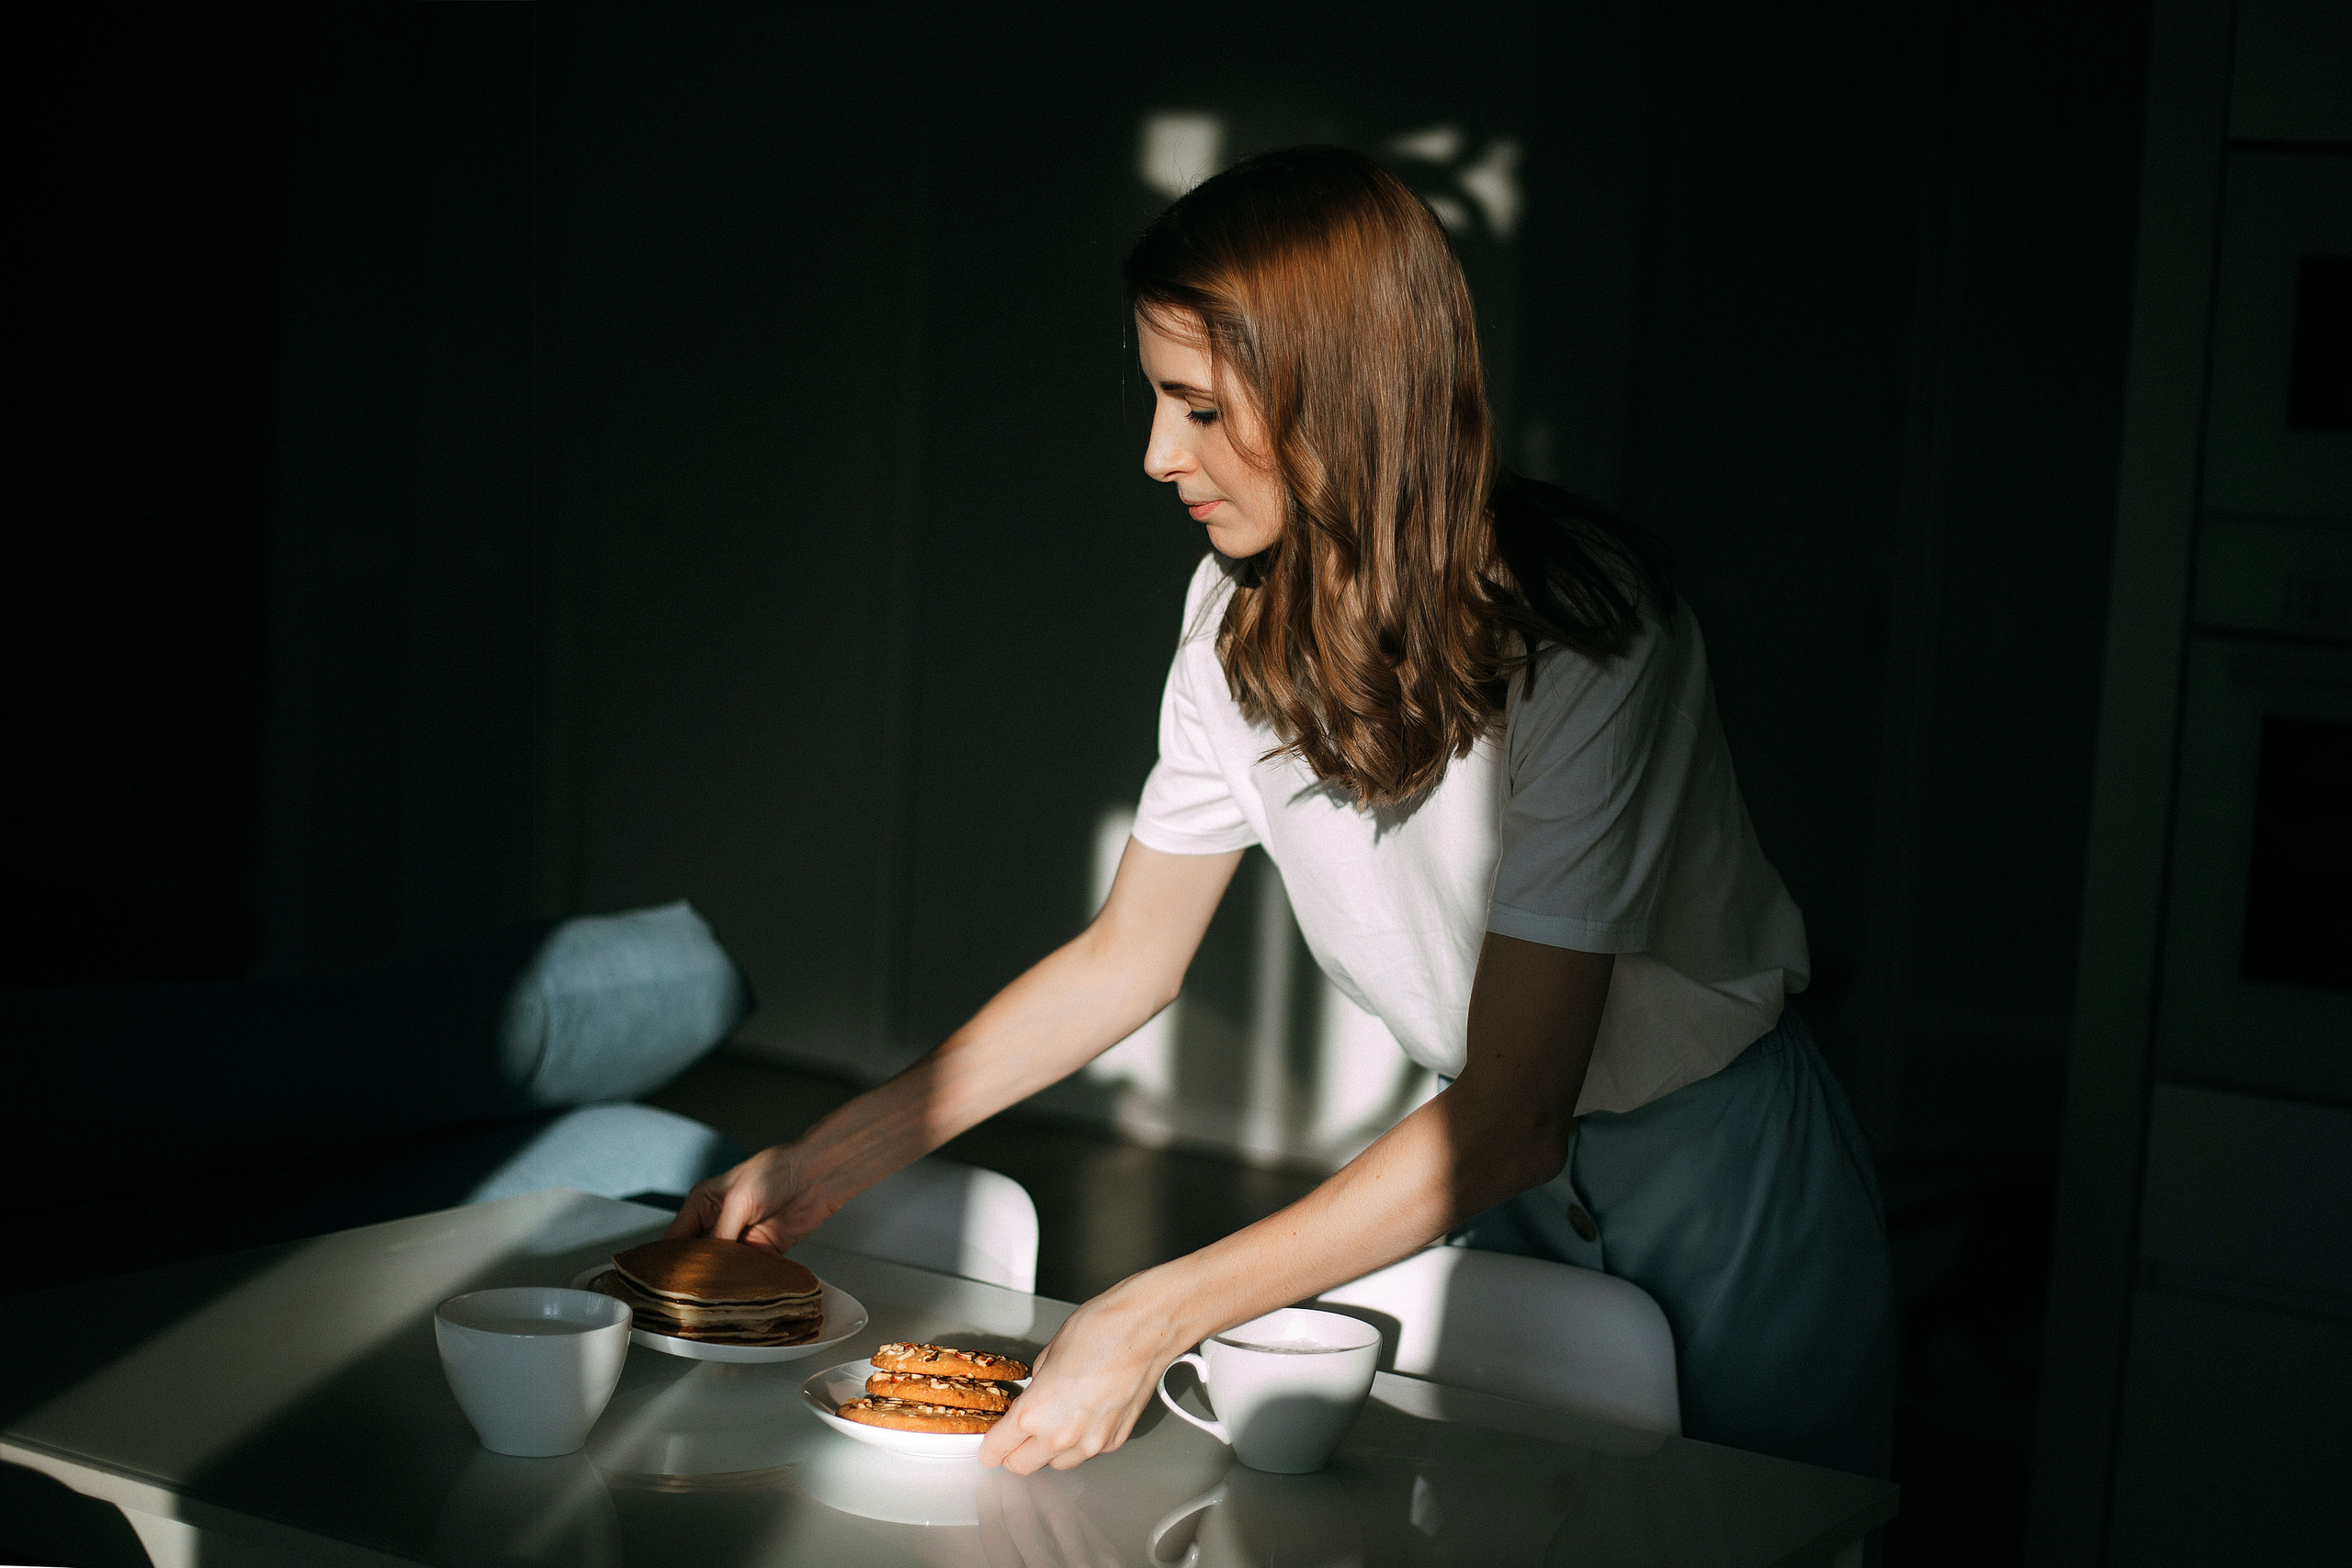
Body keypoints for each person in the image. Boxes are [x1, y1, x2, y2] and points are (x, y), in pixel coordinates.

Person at [668, 146, 1894, 1479]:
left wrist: (1153, 1312)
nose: (1154, 454)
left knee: (1776, 1526)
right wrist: (829, 1162)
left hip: (1720, 1166)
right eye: (1155, 401)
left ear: (1340, 393)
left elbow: (1517, 1109)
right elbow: (1126, 960)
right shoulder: (1226, 623)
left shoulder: (1592, 640)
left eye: (1195, 408)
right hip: (1496, 1175)